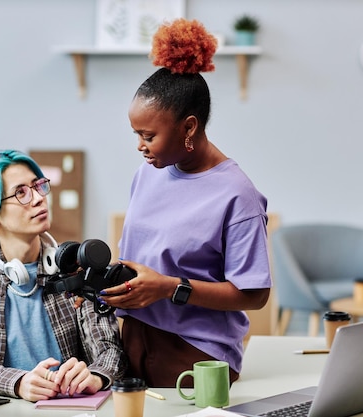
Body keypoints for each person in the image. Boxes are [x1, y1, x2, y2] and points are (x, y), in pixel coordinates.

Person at [99, 19, 271, 388]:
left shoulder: (237, 195)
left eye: (149, 136)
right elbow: (143, 259)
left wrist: (166, 288)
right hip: (132, 340)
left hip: (196, 355)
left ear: (188, 127)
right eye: (137, 135)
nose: (140, 146)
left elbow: (254, 295)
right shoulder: (149, 172)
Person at [0, 149, 126, 401]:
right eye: (21, 193)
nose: (39, 199)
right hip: (6, 407)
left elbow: (109, 349)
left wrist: (95, 375)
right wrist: (17, 382)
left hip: (71, 405)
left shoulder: (75, 266)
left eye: (38, 186)